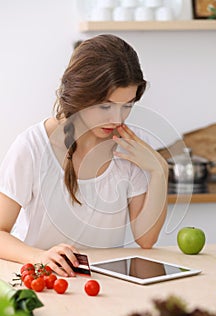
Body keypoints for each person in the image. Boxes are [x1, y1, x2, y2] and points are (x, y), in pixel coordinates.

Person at [0, 34, 168, 277]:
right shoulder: (32, 146)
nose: (117, 119)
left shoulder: (130, 148)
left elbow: (146, 239)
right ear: (80, 95)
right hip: (45, 283)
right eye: (105, 106)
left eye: (127, 106)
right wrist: (40, 256)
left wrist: (159, 170)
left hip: (106, 288)